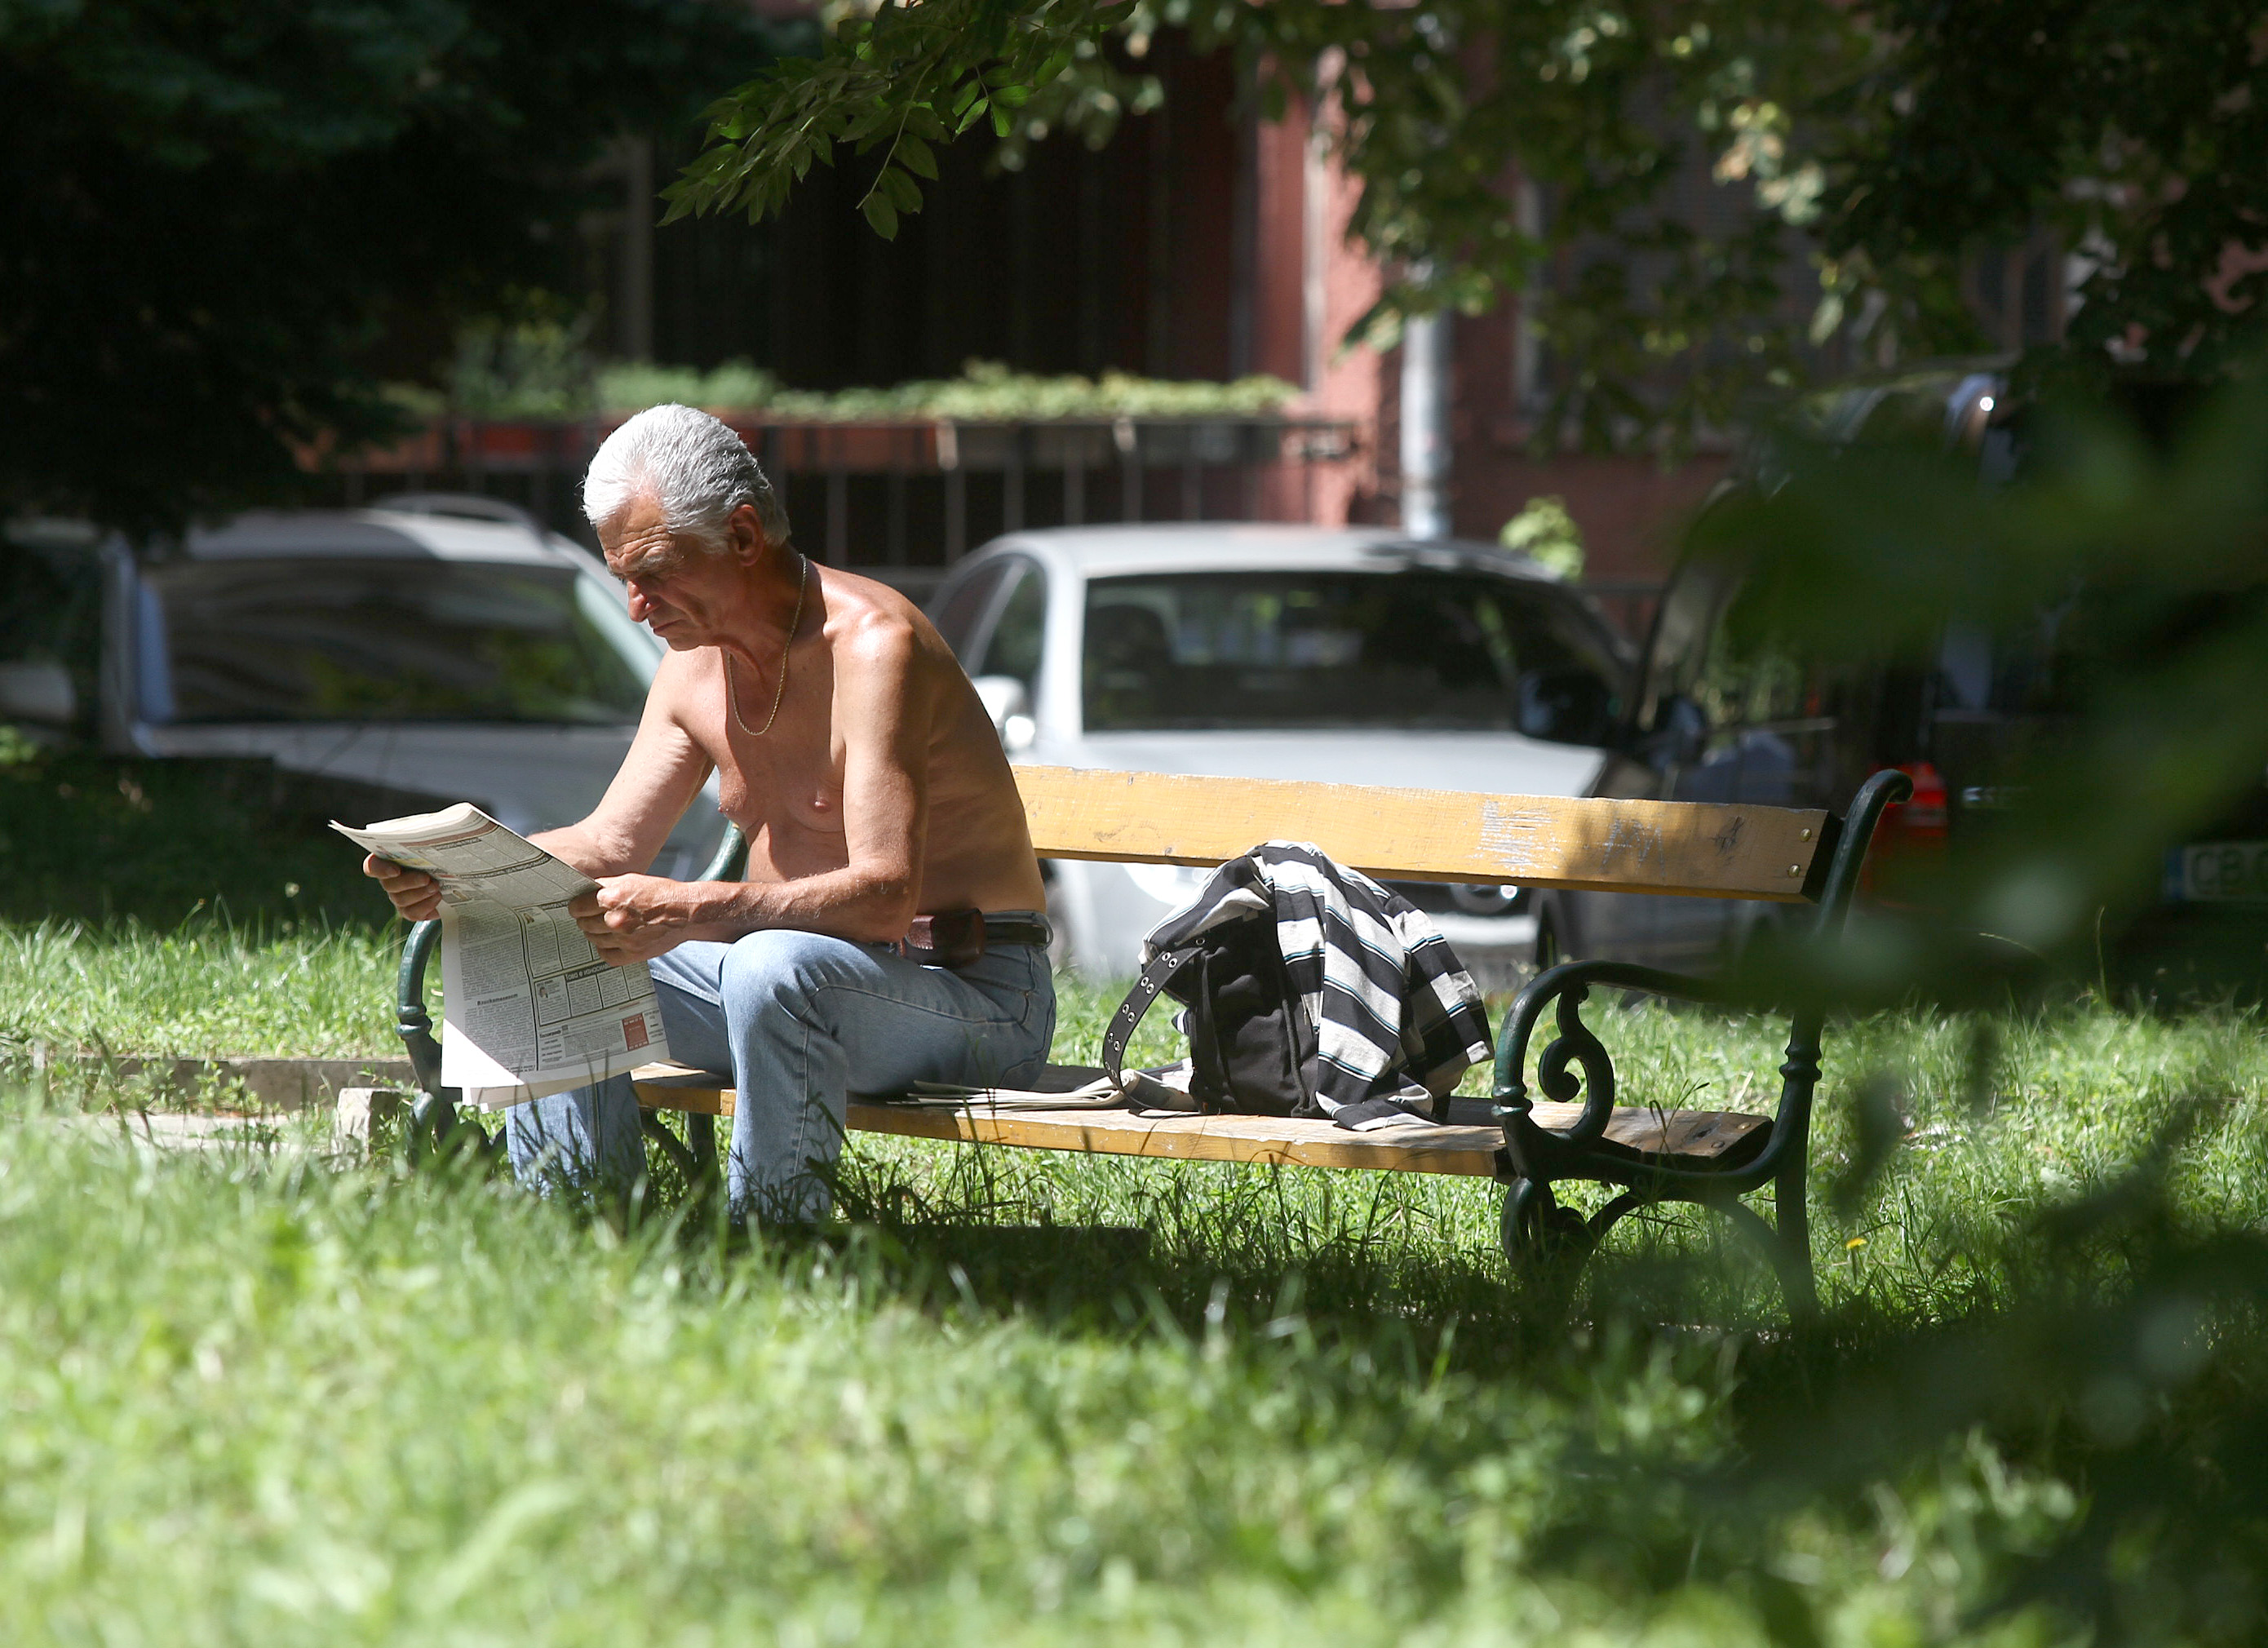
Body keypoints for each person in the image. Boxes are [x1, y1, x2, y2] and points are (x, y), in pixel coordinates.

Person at [365, 403, 1054, 1218]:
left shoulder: (874, 646)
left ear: (743, 535)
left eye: (654, 571)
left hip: (971, 995)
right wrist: (465, 879)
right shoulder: (692, 663)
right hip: (784, 981)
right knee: (541, 944)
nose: (636, 606)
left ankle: (769, 1250)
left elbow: (883, 898)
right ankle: (579, 1237)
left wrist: (693, 907)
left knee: (770, 969)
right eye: (622, 578)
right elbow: (609, 841)